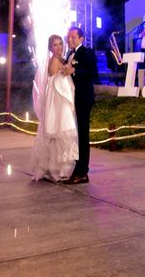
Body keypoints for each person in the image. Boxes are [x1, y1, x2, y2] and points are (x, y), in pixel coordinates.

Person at [31, 34, 79, 182]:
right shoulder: (54, 62)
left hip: (63, 102)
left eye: (60, 44)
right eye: (55, 45)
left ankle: (61, 168)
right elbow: (55, 86)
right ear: (50, 48)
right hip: (58, 104)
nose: (59, 47)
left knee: (62, 134)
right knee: (60, 133)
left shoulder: (60, 60)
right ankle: (58, 169)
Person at [64, 26, 98, 185]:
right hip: (72, 100)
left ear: (81, 38)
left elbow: (93, 74)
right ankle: (76, 168)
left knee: (83, 136)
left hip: (83, 99)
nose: (70, 40)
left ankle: (82, 172)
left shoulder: (87, 52)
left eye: (73, 37)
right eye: (68, 37)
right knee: (76, 135)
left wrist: (75, 71)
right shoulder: (69, 54)